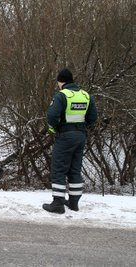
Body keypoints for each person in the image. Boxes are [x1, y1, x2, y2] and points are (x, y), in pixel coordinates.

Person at [42, 68, 98, 214]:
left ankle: (58, 204)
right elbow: (93, 117)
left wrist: (54, 128)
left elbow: (52, 115)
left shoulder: (62, 95)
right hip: (80, 136)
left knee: (59, 168)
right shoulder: (86, 95)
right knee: (75, 168)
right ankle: (73, 203)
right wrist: (80, 126)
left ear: (61, 82)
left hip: (65, 136)